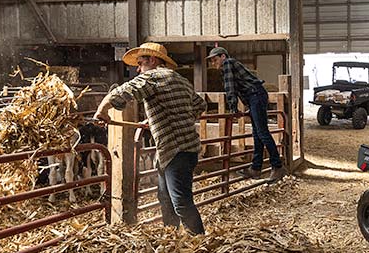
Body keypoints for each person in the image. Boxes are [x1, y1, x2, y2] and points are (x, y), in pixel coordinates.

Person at [95, 41, 208, 235]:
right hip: (183, 149)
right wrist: (162, 118)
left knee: (180, 202)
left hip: (175, 150)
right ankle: (171, 237)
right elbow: (200, 105)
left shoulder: (153, 77)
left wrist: (101, 111)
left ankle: (200, 242)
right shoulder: (180, 79)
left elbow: (122, 92)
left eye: (140, 63)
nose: (138, 69)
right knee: (165, 197)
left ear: (153, 60)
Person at [207, 46, 285, 182]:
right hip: (255, 97)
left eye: (215, 60)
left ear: (223, 56)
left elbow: (230, 87)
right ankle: (255, 168)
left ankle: (277, 167)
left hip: (255, 96)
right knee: (257, 134)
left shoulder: (228, 64)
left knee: (262, 133)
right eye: (212, 61)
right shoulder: (232, 64)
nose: (214, 63)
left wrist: (232, 108)